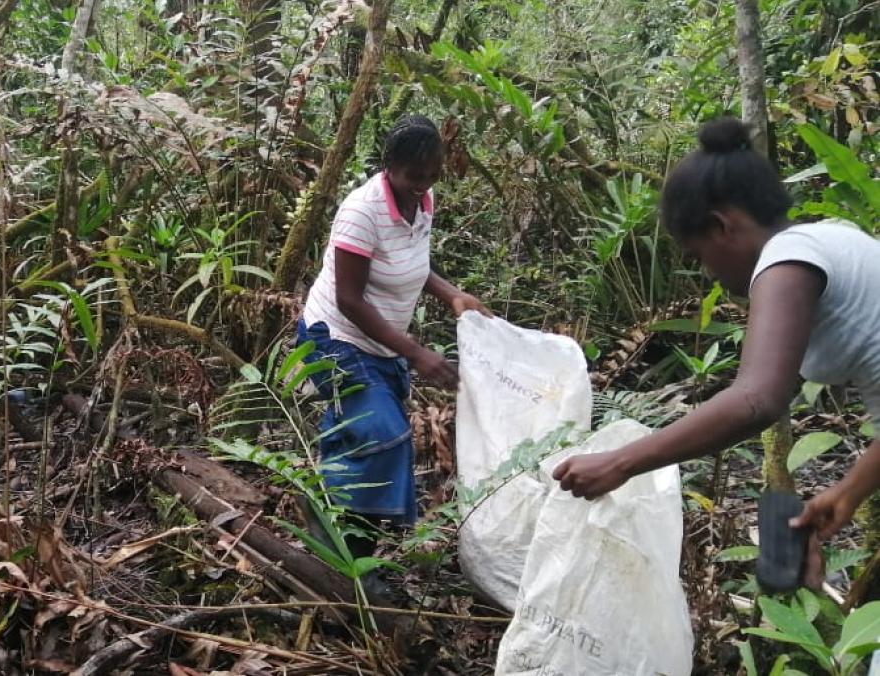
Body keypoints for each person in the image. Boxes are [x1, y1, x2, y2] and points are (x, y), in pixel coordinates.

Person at [552, 119, 880, 578]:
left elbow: (756, 400)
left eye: (698, 254)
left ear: (721, 226)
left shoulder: (788, 258)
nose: (707, 272)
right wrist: (848, 492)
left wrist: (620, 462)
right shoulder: (833, 240)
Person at [298, 114, 489, 558]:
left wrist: (453, 295)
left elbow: (413, 263)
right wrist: (417, 354)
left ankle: (342, 534)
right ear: (389, 167)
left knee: (360, 433)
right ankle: (342, 544)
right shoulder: (361, 213)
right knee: (382, 434)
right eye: (413, 175)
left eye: (432, 174)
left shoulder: (422, 201)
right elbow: (349, 300)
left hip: (381, 343)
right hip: (336, 338)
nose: (423, 184)